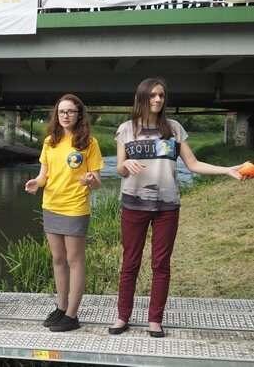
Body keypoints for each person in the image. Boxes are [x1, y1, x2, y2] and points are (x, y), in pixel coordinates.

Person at [108, 77, 247, 338]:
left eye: (161, 95)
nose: (158, 99)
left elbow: (193, 164)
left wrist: (227, 169)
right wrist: (124, 165)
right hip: (134, 204)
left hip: (167, 206)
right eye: (152, 95)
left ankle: (155, 320)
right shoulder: (126, 129)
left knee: (161, 264)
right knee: (130, 262)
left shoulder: (173, 129)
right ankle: (122, 316)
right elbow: (119, 168)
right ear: (142, 98)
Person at [25, 94, 103, 332]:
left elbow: (97, 181)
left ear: (79, 115)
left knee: (74, 260)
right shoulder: (50, 141)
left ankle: (72, 315)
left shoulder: (89, 143)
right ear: (56, 115)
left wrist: (90, 180)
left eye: (70, 111)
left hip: (75, 207)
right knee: (58, 259)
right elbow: (44, 175)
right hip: (51, 205)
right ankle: (61, 307)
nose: (65, 115)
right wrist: (36, 183)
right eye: (61, 111)